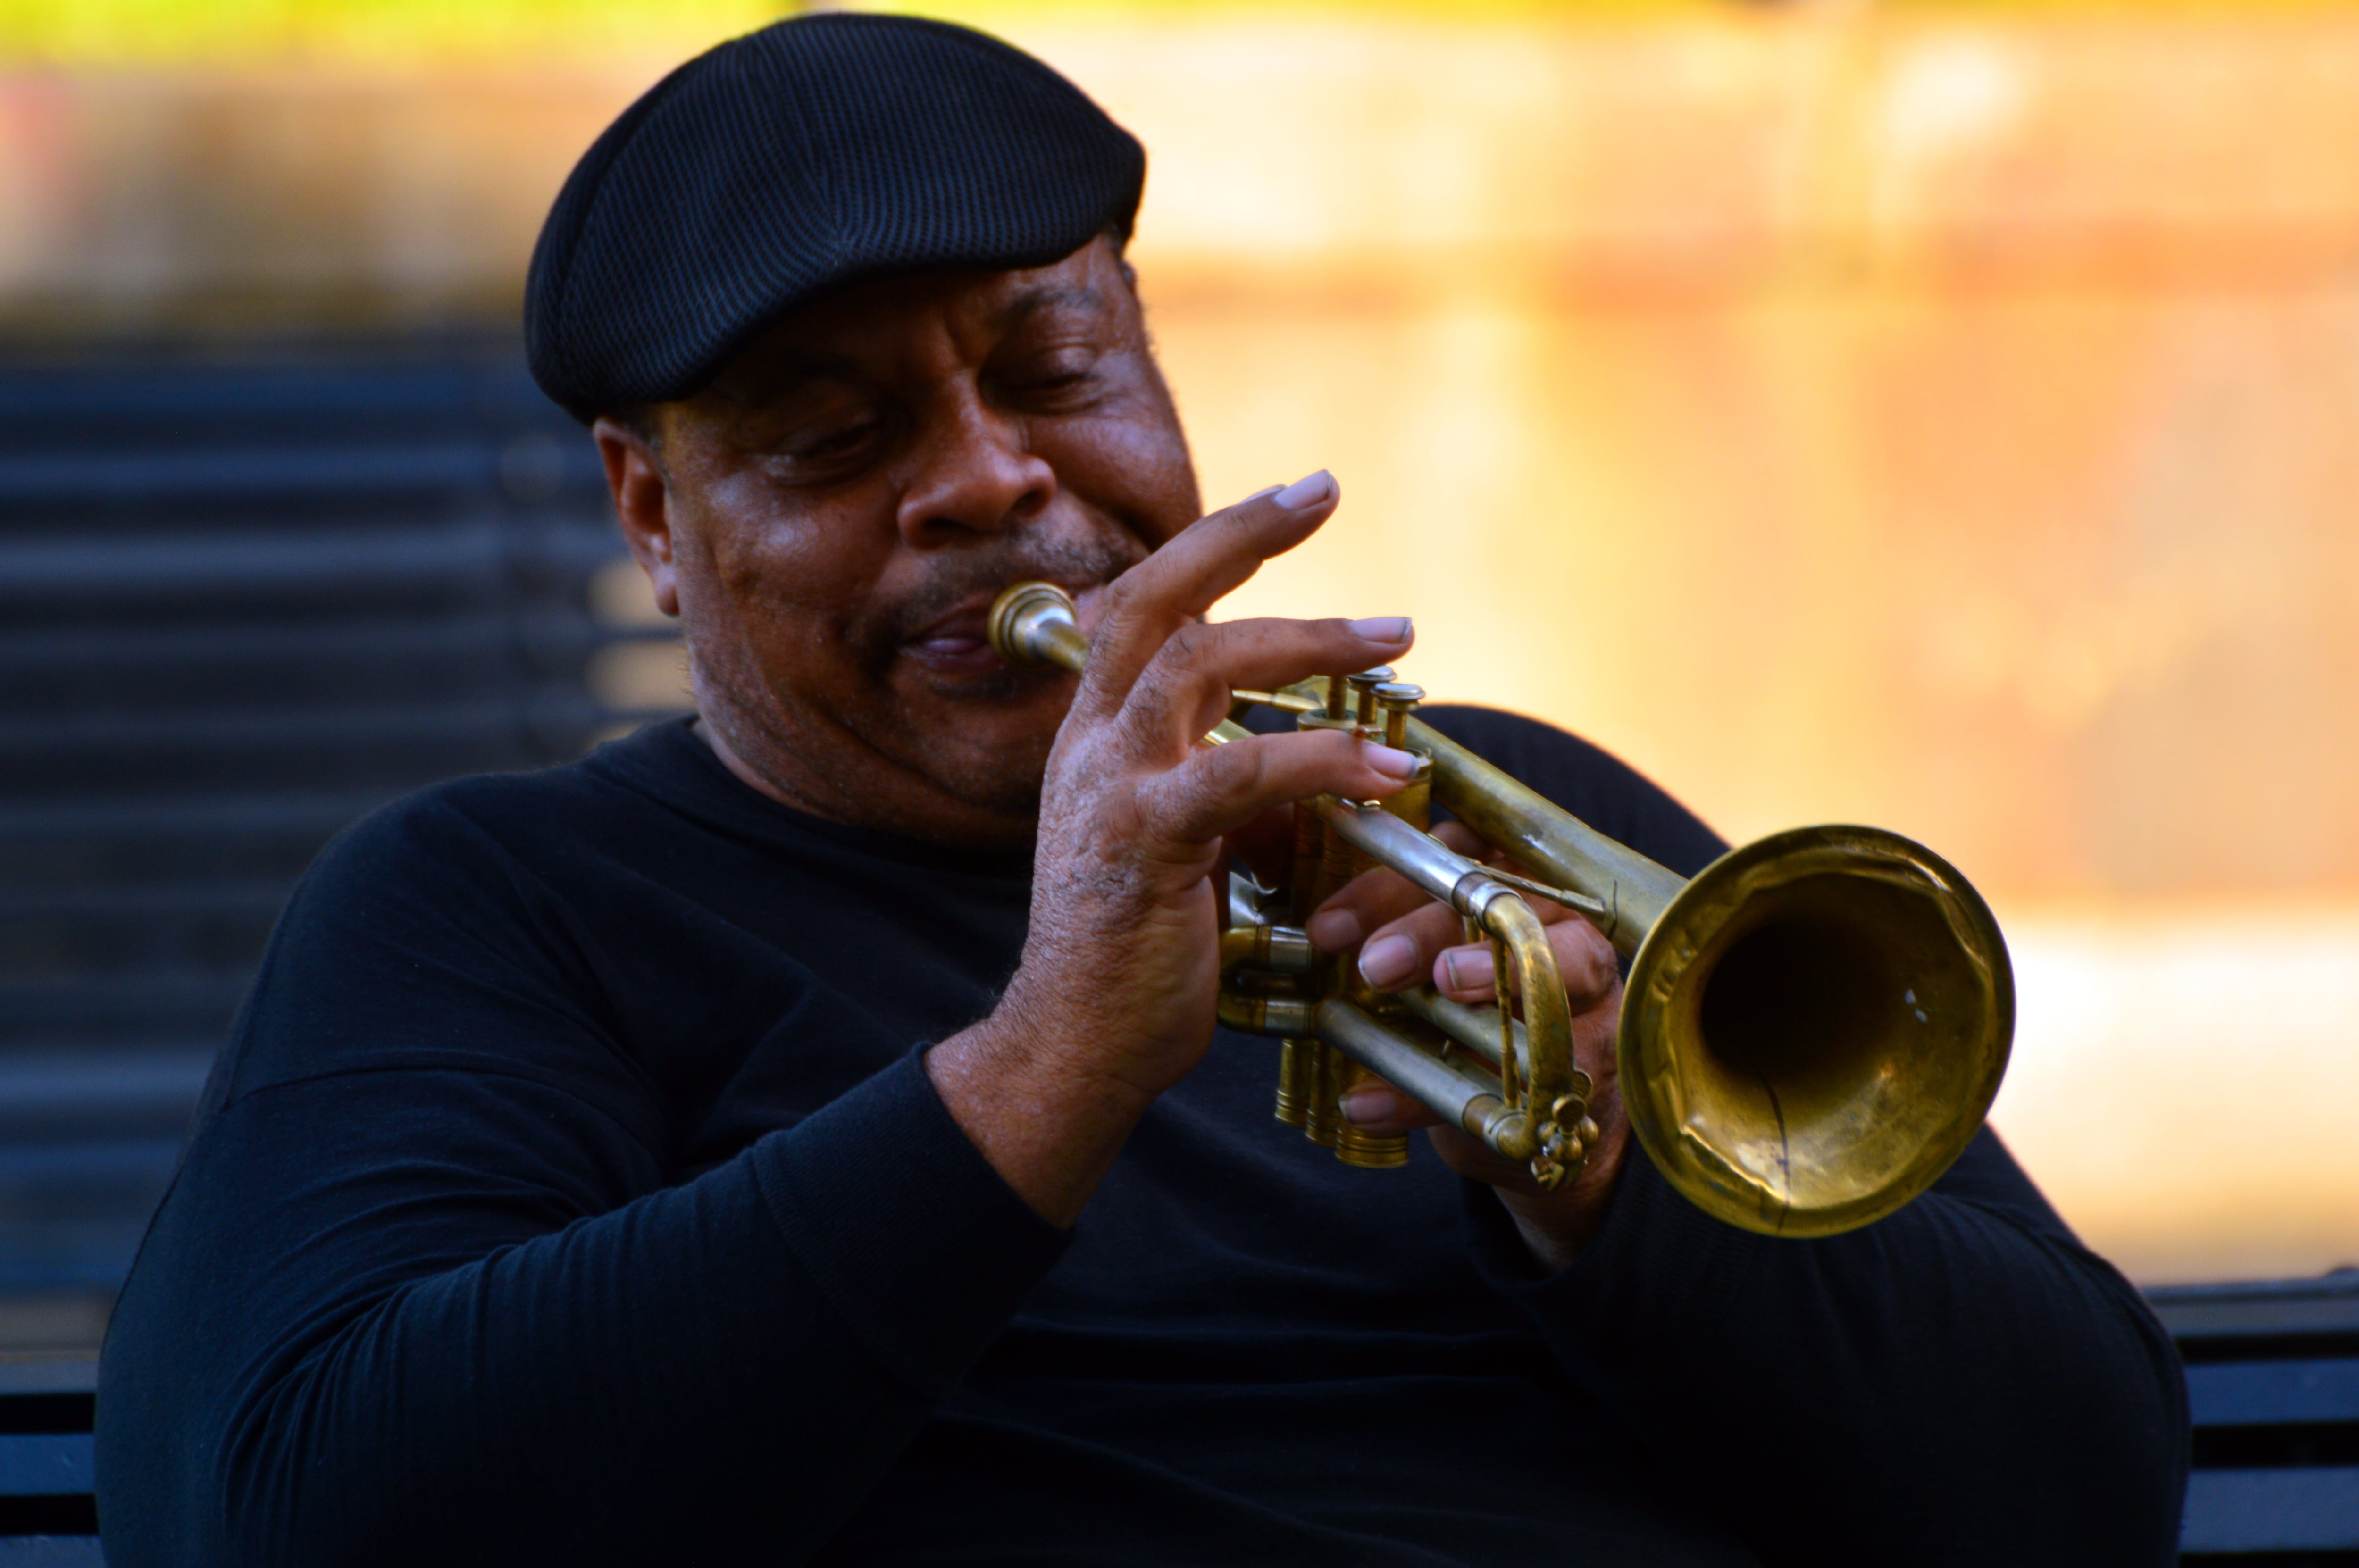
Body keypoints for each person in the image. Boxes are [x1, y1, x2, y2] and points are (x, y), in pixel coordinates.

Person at [95, 13, 2188, 1565]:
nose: (990, 478)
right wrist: (1042, 1064)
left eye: (1049, 369)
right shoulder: (498, 907)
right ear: (653, 517)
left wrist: (1603, 1172)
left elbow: (2076, 1492)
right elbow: (281, 1522)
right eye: (832, 439)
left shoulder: (1496, 817)